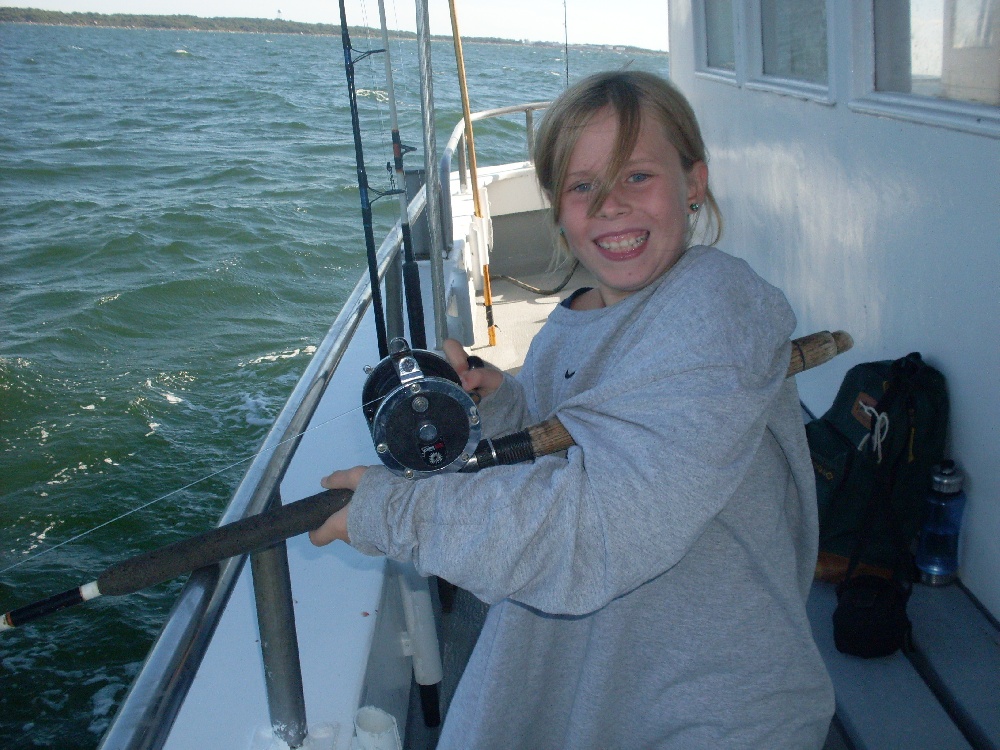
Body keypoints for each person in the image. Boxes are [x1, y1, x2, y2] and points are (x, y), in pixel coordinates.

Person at [311, 70, 834, 748]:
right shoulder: (566, 326)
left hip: (711, 701)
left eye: (637, 176)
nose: (611, 204)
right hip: (600, 682)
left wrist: (398, 514)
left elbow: (599, 528)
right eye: (584, 186)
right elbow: (580, 445)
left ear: (694, 184)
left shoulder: (718, 306)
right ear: (557, 207)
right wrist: (505, 413)